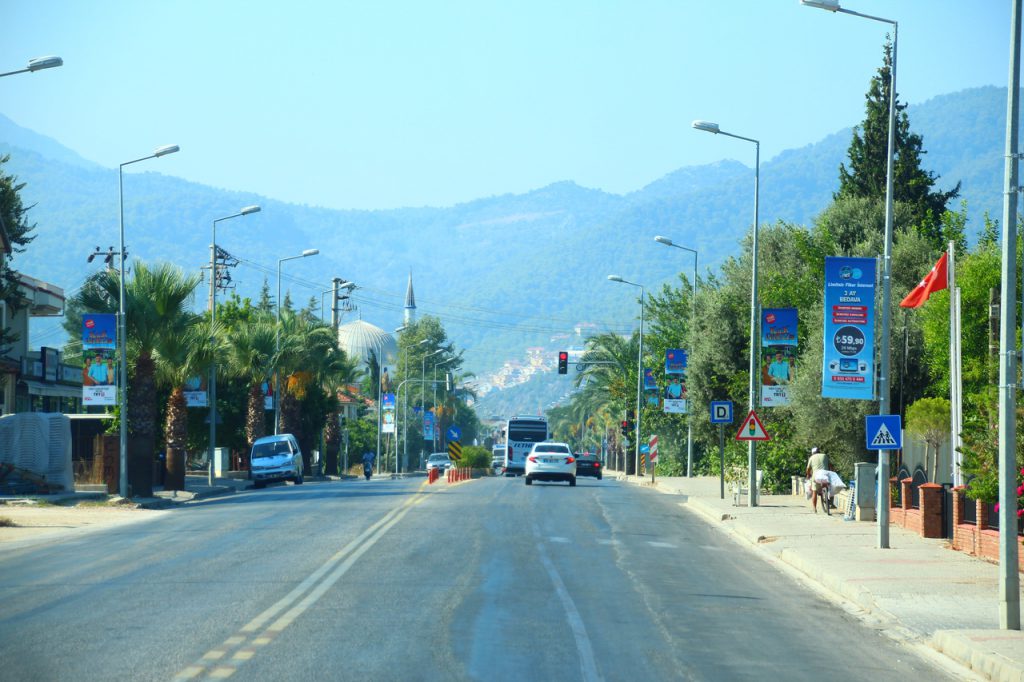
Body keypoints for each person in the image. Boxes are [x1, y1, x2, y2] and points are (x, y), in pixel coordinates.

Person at [805, 446, 830, 513]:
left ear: (812, 453)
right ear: (819, 451)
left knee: (814, 492)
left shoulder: (811, 458)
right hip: (825, 475)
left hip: (816, 476)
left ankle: (814, 509)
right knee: (829, 487)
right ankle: (829, 503)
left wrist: (808, 474)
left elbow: (808, 469)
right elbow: (830, 465)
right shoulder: (825, 456)